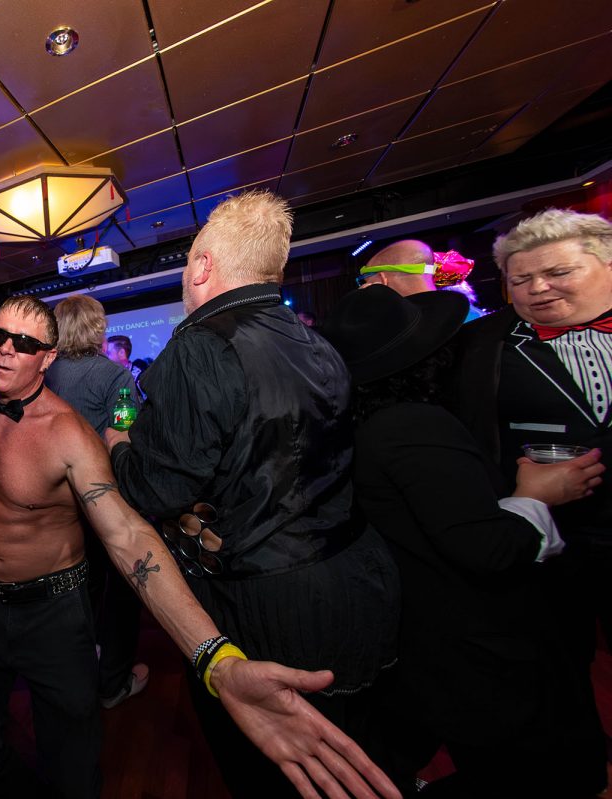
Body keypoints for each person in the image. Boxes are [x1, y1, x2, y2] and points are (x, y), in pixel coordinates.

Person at [0, 294, 399, 799]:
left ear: (48, 358)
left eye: (24, 343)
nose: (6, 349)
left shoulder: (69, 436)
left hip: (52, 612)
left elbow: (126, 535)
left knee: (72, 769)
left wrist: (215, 658)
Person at [104, 191, 400, 798]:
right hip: (359, 576)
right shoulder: (314, 340)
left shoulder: (198, 345)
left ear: (202, 266)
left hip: (271, 599)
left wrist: (118, 447)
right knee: (352, 757)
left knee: (281, 769)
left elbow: (158, 488)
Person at [322, 285, 607, 796]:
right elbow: (490, 550)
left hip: (443, 646)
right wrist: (537, 495)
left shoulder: (366, 426)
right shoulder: (413, 426)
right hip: (482, 654)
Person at [452, 207, 612, 784]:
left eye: (558, 273)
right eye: (520, 280)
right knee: (558, 666)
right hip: (549, 542)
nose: (538, 288)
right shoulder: (477, 346)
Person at [44, 294, 148, 710]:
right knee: (122, 590)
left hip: (56, 500)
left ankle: (77, 674)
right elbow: (125, 435)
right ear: (97, 328)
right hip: (102, 498)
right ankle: (112, 682)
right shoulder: (115, 375)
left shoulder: (44, 375)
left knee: (76, 590)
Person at [358, 239, 437, 295]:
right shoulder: (444, 307)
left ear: (380, 280)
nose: (364, 287)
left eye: (365, 282)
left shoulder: (386, 313)